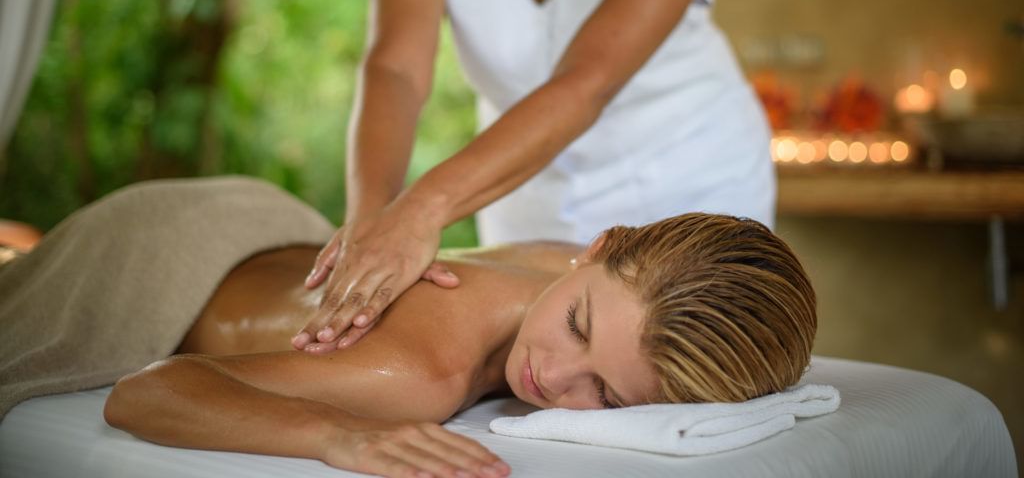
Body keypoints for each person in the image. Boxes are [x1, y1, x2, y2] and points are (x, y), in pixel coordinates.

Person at [0, 177, 814, 478]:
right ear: (599, 248)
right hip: (156, 261)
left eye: (607, 396)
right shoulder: (418, 376)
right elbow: (144, 394)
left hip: (257, 220)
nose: (555, 378)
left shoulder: (562, 264)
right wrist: (338, 437)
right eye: (577, 326)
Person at [295, 0, 777, 355]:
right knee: (531, 370)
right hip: (522, 184)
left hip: (685, 173)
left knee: (676, 372)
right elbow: (396, 69)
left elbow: (589, 81)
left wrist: (420, 211)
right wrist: (371, 226)